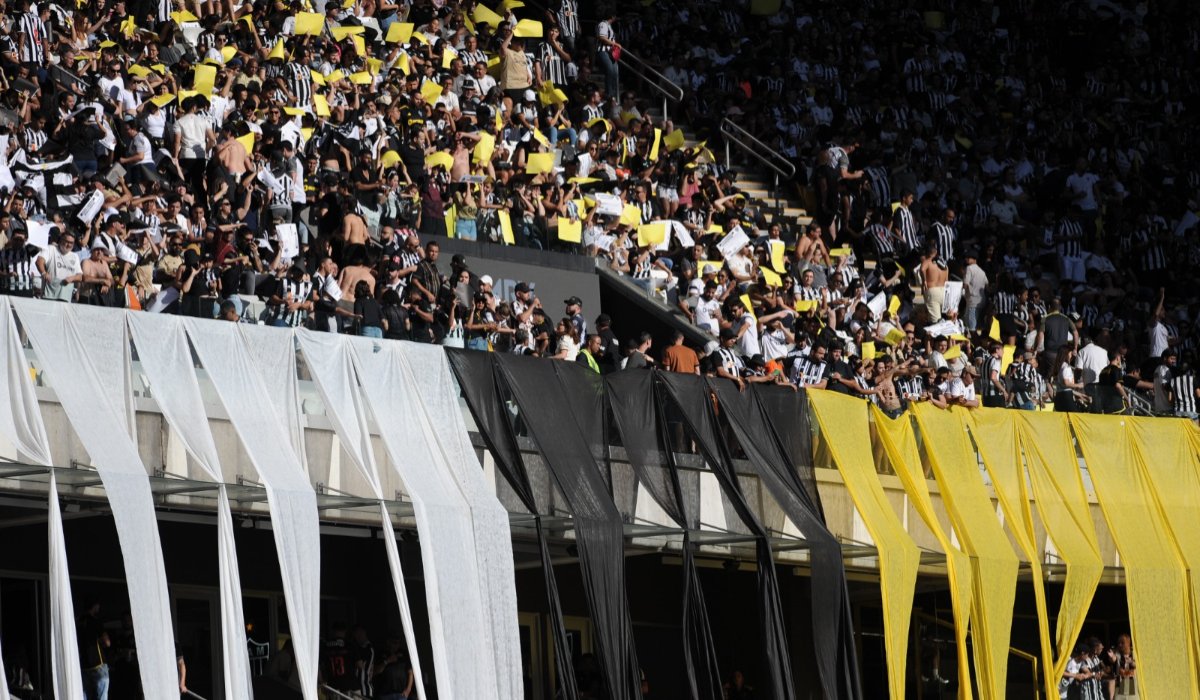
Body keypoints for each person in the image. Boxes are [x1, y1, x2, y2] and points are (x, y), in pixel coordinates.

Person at [78, 601, 110, 700]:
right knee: (101, 696)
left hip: (84, 665)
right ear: (94, 606)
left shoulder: (78, 622)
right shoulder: (95, 621)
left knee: (84, 695)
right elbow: (107, 642)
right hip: (98, 665)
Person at [1053, 346, 1086, 413]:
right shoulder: (1066, 367)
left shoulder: (1059, 367)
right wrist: (1078, 385)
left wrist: (1080, 395)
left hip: (1059, 395)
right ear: (1067, 354)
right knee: (1075, 415)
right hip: (1066, 397)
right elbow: (1066, 383)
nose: (1071, 356)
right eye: (1070, 353)